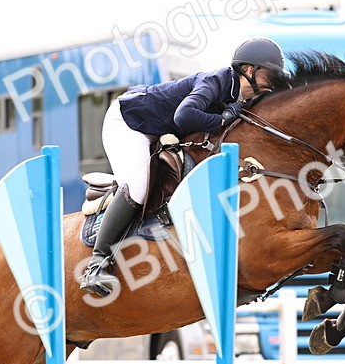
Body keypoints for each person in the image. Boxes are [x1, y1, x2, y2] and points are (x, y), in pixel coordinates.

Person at [79, 37, 290, 297]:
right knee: (138, 187)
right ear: (249, 70)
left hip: (156, 128)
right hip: (129, 123)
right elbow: (184, 115)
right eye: (270, 75)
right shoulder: (216, 81)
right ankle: (97, 264)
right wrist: (221, 119)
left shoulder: (243, 99)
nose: (274, 82)